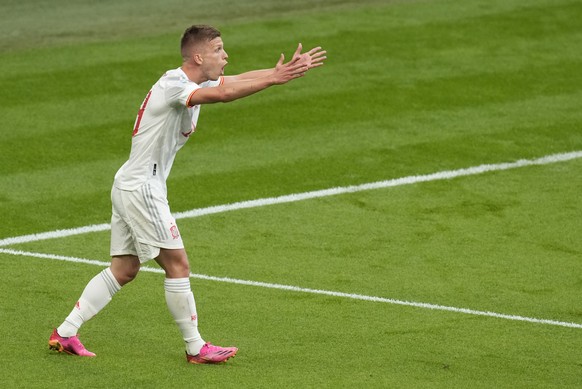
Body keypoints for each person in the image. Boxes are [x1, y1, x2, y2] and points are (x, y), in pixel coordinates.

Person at [48, 25, 326, 364]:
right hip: (142, 189)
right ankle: (196, 347)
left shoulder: (191, 81)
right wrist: (274, 80)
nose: (226, 56)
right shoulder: (174, 85)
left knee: (124, 269)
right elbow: (222, 95)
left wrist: (282, 71)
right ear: (198, 56)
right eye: (219, 50)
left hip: (130, 183)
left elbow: (231, 81)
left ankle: (64, 333)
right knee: (178, 265)